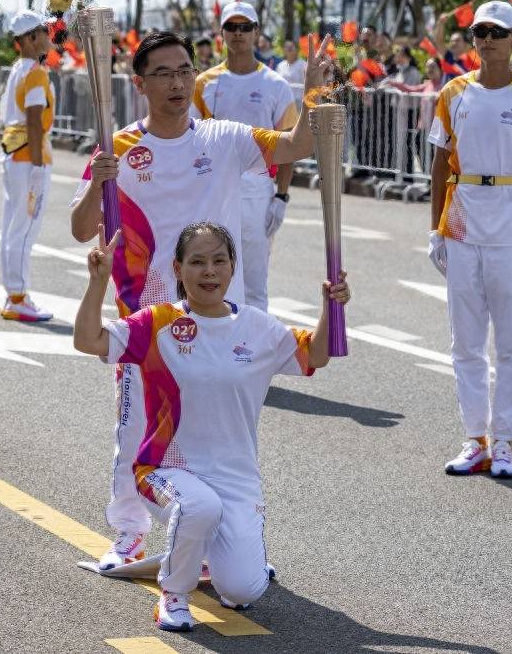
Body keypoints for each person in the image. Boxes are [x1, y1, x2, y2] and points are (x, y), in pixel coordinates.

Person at [70, 29, 334, 573]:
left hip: (220, 320)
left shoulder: (224, 138)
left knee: (221, 435)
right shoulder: (119, 148)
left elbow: (296, 147)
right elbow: (80, 230)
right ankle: (129, 533)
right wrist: (98, 183)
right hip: (149, 314)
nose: (177, 82)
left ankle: (221, 540)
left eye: (185, 70)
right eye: (163, 73)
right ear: (140, 84)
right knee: (136, 428)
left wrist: (309, 94)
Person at [74, 221, 350, 631]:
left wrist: (333, 305)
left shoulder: (257, 328)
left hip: (236, 480)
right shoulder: (158, 323)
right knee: (199, 507)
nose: (209, 272)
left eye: (219, 261)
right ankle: (174, 592)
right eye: (197, 262)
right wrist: (98, 282)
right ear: (178, 269)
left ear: (232, 267)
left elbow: (319, 355)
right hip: (165, 470)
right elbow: (88, 340)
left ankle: (206, 551)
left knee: (243, 590)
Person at [427, 0, 512, 478]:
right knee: (465, 339)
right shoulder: (454, 92)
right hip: (462, 222)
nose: (487, 40)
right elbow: (440, 163)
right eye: (480, 32)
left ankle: (504, 442)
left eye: (497, 33)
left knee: (511, 341)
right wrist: (434, 228)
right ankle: (475, 438)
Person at [191, 2, 299, 311]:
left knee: (253, 279)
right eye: (232, 27)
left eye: (245, 27)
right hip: (212, 187)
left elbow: (288, 143)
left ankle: (254, 353)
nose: (238, 34)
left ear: (256, 32)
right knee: (211, 275)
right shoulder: (204, 83)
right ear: (221, 33)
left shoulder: (275, 85)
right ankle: (218, 346)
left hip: (256, 188)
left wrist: (281, 197)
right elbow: (190, 138)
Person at [0, 10, 55, 322]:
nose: (49, 36)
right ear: (31, 38)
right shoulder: (35, 72)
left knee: (12, 227)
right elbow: (34, 119)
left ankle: (13, 293)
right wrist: (36, 167)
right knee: (24, 228)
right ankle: (18, 297)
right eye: (44, 31)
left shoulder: (18, 69)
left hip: (13, 156)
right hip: (28, 157)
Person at [275, 38, 307, 106]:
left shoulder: (303, 65)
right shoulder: (280, 66)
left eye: (291, 47)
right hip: (283, 101)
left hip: (299, 101)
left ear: (297, 50)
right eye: (287, 47)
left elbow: (308, 83)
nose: (289, 49)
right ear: (284, 50)